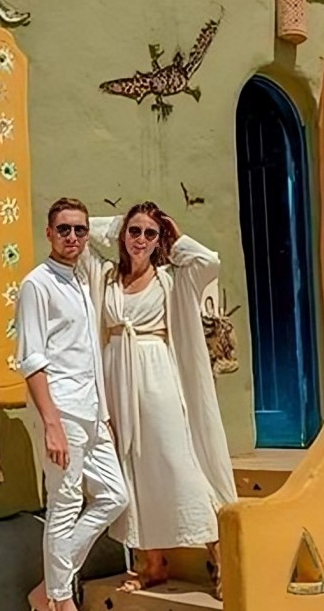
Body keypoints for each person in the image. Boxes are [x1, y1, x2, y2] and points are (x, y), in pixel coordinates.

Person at [79, 201, 237, 598]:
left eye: (150, 233)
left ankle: (222, 557)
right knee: (133, 468)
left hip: (157, 376)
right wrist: (120, 224)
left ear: (159, 240)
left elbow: (208, 262)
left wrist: (175, 235)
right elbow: (84, 235)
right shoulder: (106, 277)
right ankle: (153, 563)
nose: (141, 239)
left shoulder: (170, 278)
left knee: (177, 462)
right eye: (134, 231)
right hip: (117, 377)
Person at [16, 197, 129, 611]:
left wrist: (104, 414)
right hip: (62, 410)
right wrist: (51, 424)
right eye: (63, 229)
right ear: (48, 233)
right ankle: (61, 602)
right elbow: (31, 359)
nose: (73, 237)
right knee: (64, 503)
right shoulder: (37, 284)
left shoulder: (81, 280)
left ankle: (49, 588)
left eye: (80, 229)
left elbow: (87, 353)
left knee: (114, 496)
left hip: (92, 412)